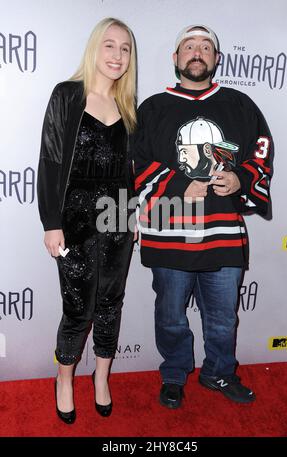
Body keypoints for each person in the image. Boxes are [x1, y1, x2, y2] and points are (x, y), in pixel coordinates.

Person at [134, 25, 272, 408]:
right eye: (189, 46)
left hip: (224, 234)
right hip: (169, 232)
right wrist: (179, 185)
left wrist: (241, 177)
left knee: (224, 318)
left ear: (216, 58)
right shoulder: (152, 108)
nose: (198, 52)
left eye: (206, 46)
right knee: (171, 316)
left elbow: (260, 153)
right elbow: (134, 163)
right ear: (176, 58)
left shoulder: (240, 104)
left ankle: (219, 372)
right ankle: (175, 374)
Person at [37, 17, 137, 424]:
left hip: (117, 217)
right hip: (74, 219)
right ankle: (64, 379)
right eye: (110, 45)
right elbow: (49, 160)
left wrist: (132, 217)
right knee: (78, 306)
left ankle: (101, 377)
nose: (117, 55)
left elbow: (130, 174)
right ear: (95, 48)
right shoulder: (67, 95)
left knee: (111, 303)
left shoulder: (128, 107)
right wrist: (50, 221)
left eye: (125, 49)